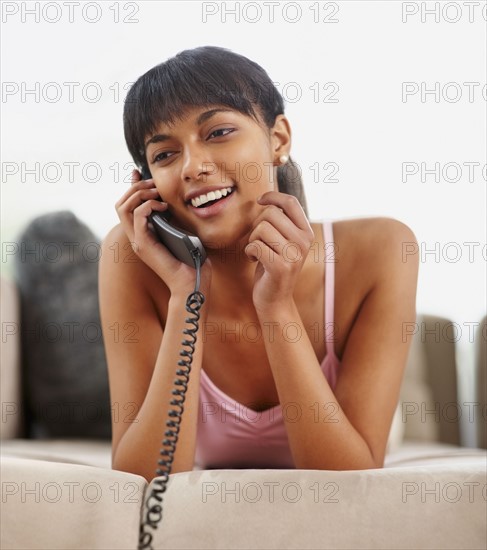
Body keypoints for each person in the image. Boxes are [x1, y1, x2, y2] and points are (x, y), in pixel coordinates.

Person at [99, 46, 419, 481]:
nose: (193, 166)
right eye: (165, 155)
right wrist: (184, 295)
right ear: (149, 185)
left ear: (278, 139)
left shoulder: (382, 248)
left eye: (217, 132)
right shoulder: (131, 257)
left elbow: (347, 480)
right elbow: (141, 478)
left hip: (354, 425)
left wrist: (276, 306)